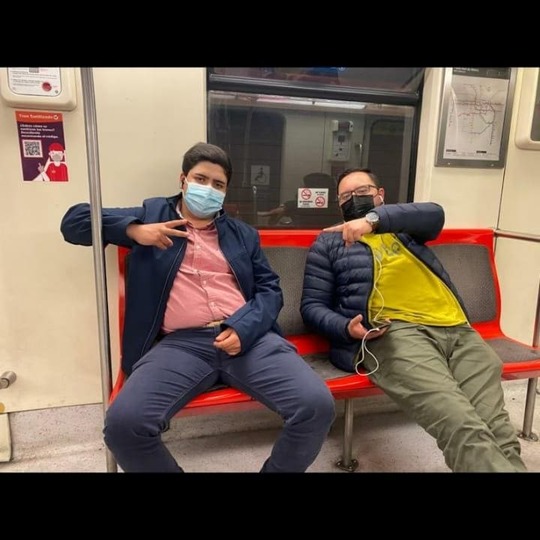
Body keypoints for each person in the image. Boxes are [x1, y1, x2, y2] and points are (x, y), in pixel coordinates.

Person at [60, 142, 335, 473]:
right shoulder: (151, 215)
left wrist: (244, 328)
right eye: (201, 179)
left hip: (247, 338)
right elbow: (74, 222)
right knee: (124, 425)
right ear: (183, 180)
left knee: (316, 406)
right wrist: (134, 231)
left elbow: (270, 290)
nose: (208, 189)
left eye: (218, 184)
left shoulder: (242, 234)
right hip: (180, 345)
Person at [300, 167, 527, 472]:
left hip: (458, 329)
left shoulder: (406, 231)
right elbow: (312, 306)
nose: (354, 199)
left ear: (380, 196)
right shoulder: (329, 243)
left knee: (498, 429)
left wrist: (373, 222)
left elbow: (434, 213)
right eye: (345, 196)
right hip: (395, 334)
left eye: (363, 192)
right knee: (461, 424)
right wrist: (345, 328)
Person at [261, 172, 341, 227]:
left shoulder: (338, 212)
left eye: (305, 187)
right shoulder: (295, 207)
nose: (301, 189)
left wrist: (288, 207)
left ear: (315, 192)